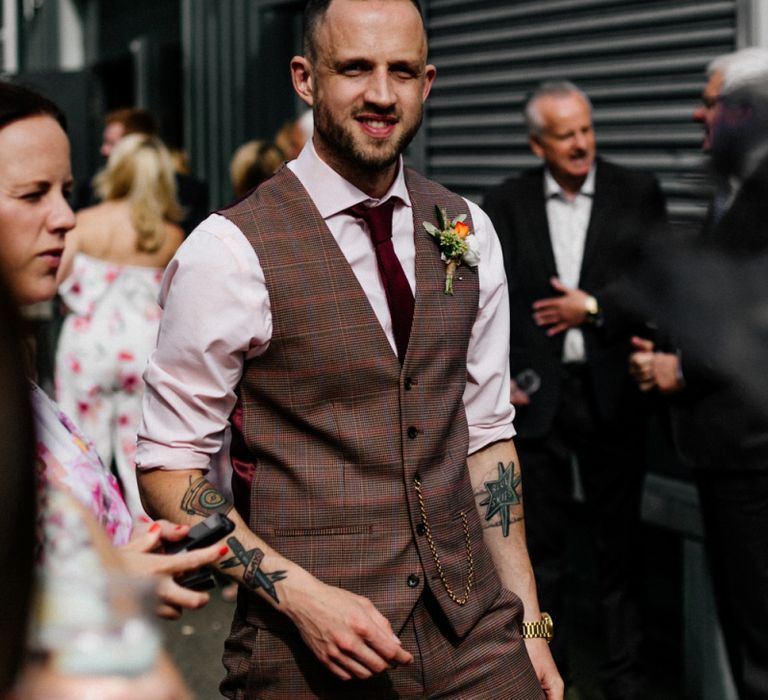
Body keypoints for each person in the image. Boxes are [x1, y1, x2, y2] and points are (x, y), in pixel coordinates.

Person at [136, 0, 562, 697]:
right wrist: (302, 597)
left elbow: (488, 438)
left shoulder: (466, 227)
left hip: (476, 634)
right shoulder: (228, 252)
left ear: (428, 83)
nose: (381, 95)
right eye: (355, 69)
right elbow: (169, 468)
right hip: (310, 647)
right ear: (305, 78)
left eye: (401, 71)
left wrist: (532, 627)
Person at [0, 79, 227, 618]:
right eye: (34, 194)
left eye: (65, 191)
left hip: (91, 352)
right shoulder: (171, 234)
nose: (64, 217)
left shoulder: (19, 384)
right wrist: (99, 580)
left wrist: (120, 561)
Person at [482, 81, 666, 700]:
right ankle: (543, 674)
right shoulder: (505, 203)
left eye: (587, 129)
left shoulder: (636, 193)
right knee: (541, 554)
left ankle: (625, 680)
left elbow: (656, 281)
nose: (582, 143)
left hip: (615, 397)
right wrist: (497, 375)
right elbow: (489, 299)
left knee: (621, 549)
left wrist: (592, 307)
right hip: (538, 403)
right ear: (538, 143)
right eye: (566, 135)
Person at [629, 48, 768, 700]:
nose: (696, 112)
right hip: (728, 451)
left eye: (709, 100)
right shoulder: (734, 190)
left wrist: (679, 368)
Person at [54, 132, 184, 519]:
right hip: (145, 350)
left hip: (87, 348)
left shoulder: (82, 224)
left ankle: (88, 539)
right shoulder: (172, 235)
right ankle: (153, 542)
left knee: (79, 448)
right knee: (139, 456)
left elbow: (54, 280)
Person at [76, 107, 209, 236]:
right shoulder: (91, 189)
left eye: (111, 143)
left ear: (138, 145)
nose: (103, 150)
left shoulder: (189, 191)